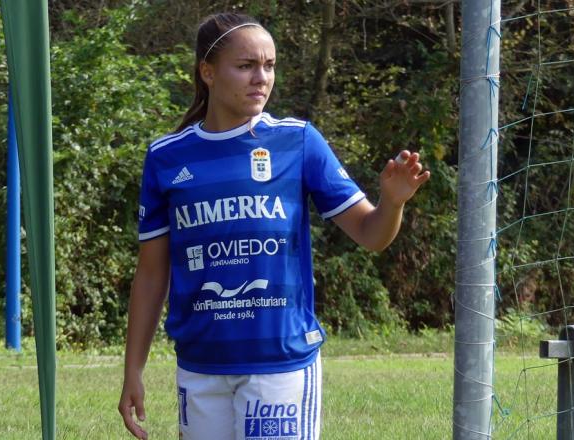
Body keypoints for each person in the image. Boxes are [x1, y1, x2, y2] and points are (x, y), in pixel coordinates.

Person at [118, 12, 430, 440]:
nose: (261, 78)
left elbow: (371, 235)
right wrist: (132, 369)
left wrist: (392, 202)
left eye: (269, 65)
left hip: (280, 365)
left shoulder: (298, 142)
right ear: (207, 72)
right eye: (245, 66)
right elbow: (152, 272)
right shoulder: (166, 157)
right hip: (200, 366)